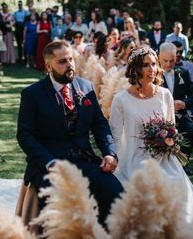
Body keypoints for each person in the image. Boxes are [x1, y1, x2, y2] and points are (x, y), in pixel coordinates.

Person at [17, 40, 123, 225]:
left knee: (116, 192)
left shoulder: (86, 87)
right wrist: (49, 162)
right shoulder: (32, 94)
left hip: (85, 160)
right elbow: (25, 136)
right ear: (49, 66)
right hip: (49, 166)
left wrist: (109, 153)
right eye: (62, 62)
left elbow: (99, 125)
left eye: (71, 59)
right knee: (56, 203)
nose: (69, 65)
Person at [109, 46, 193, 228]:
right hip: (134, 157)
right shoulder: (121, 99)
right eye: (145, 65)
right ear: (135, 68)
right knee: (147, 181)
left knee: (174, 180)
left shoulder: (165, 95)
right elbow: (115, 136)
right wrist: (115, 160)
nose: (152, 69)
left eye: (153, 64)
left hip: (164, 156)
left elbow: (171, 127)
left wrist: (168, 143)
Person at [159, 42, 193, 174]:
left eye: (172, 60)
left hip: (180, 115)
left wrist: (184, 103)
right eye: (165, 60)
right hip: (160, 116)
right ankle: (163, 163)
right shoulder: (154, 75)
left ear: (176, 58)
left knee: (191, 131)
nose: (169, 64)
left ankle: (183, 162)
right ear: (159, 57)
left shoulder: (183, 73)